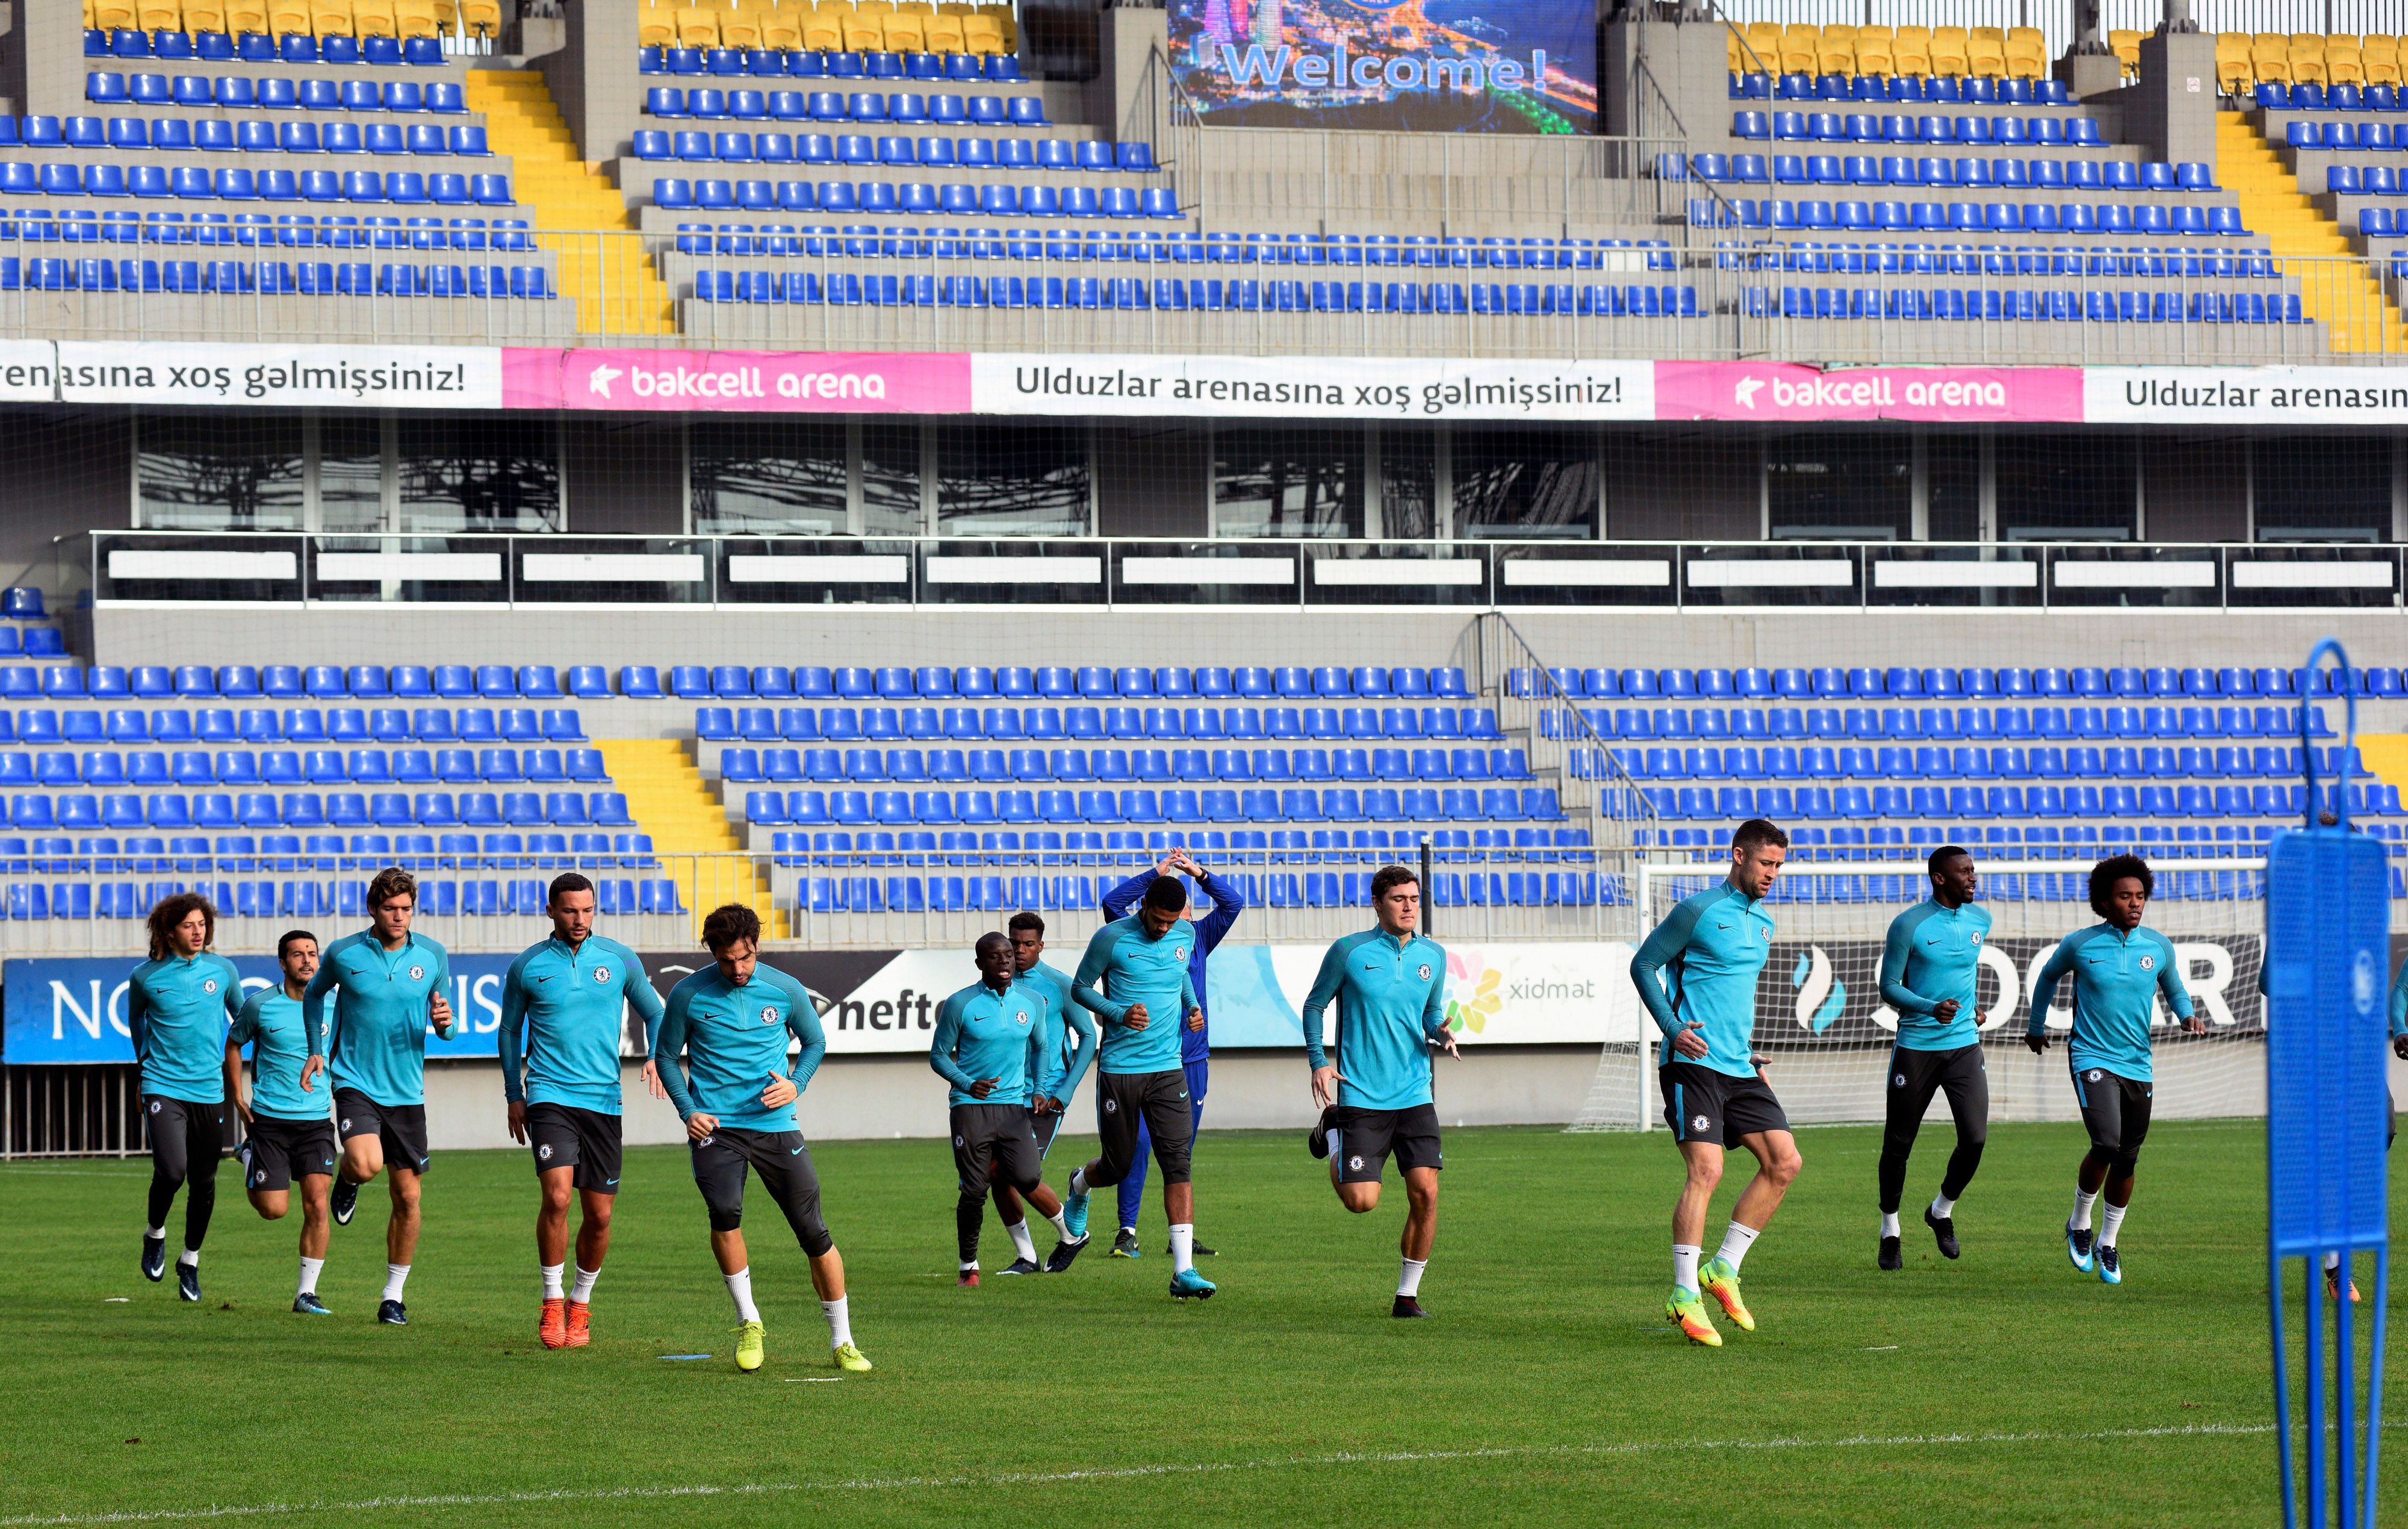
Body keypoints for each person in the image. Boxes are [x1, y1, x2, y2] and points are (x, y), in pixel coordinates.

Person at [653, 904, 870, 1375]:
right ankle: (749, 1321)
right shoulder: (688, 994)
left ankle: (843, 1341)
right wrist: (688, 1111)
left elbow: (815, 1043)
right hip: (717, 1130)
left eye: (746, 958)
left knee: (813, 1231)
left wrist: (797, 1084)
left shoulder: (786, 989)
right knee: (724, 1212)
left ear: (757, 947)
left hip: (776, 1127)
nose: (738, 969)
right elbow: (666, 1056)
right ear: (712, 953)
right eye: (727, 960)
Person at [1628, 819, 1804, 1348]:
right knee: (1707, 1170)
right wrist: (1672, 1027)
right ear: (1739, 855)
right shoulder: (1697, 911)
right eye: (1766, 863)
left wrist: (1747, 1051)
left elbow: (1731, 996)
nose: (1773, 874)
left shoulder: (1765, 923)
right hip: (1693, 1063)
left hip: (1739, 1066)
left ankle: (1724, 1267)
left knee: (1785, 1163)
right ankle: (1684, 1294)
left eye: (1779, 866)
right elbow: (1644, 965)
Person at [497, 872, 666, 1350]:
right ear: (550, 910)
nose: (580, 919)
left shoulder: (619, 959)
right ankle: (551, 1301)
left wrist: (656, 1054)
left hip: (604, 1101)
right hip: (549, 1095)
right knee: (557, 1198)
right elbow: (509, 1031)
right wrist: (514, 1094)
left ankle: (580, 1303)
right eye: (570, 910)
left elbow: (656, 1012)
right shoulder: (528, 966)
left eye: (588, 910)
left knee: (600, 1216)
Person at [2028, 854, 2203, 1288]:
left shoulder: (2158, 947)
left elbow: (2175, 989)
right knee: (2106, 1142)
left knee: (2127, 1158)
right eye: (2125, 896)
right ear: (2104, 902)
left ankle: (2108, 1241)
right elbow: (2047, 977)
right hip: (2091, 1056)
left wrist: (2186, 1015)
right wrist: (2036, 1026)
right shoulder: (2081, 944)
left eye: (2140, 895)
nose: (2135, 903)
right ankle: (2079, 1222)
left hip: (2137, 1062)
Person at [1301, 865, 1457, 1318]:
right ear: (1377, 902)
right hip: (1361, 1095)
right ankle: (1332, 1131)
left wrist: (1440, 1032)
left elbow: (1430, 1013)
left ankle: (1407, 1297)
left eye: (1414, 898)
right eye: (1398, 899)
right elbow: (1314, 1005)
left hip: (1415, 1093)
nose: (1409, 907)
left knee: (1426, 1193)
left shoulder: (1434, 955)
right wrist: (1319, 1062)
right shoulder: (1349, 952)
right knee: (1361, 1202)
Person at [303, 866, 455, 1326]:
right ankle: (349, 1179)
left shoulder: (432, 955)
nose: (399, 916)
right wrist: (315, 1049)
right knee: (366, 1163)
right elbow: (313, 996)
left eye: (406, 908)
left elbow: (446, 1026)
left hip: (407, 1091)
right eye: (390, 908)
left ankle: (393, 1296)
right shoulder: (344, 952)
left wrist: (445, 1023)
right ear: (373, 908)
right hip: (355, 1081)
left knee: (408, 1198)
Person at [1060, 875, 1214, 1300]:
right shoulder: (1111, 938)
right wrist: (1119, 1013)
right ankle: (1079, 1184)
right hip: (1121, 1069)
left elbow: (1180, 975)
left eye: (1171, 922)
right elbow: (1080, 989)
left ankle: (1183, 1271)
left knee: (1178, 1162)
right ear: (1144, 905)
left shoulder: (1185, 934)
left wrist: (1192, 1006)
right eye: (1158, 920)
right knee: (1118, 1167)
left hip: (1168, 1068)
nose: (1164, 928)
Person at [1098, 848, 1244, 1259]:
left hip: (1191, 1059)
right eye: (1163, 916)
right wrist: (1155, 874)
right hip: (1141, 1060)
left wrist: (1199, 874)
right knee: (1137, 1147)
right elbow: (1112, 903)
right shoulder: (1134, 935)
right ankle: (1127, 1230)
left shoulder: (1197, 937)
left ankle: (1179, 1235)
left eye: (1177, 915)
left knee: (1179, 1153)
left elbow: (1233, 903)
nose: (1169, 925)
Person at [931, 932, 1087, 1286]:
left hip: (1014, 1107)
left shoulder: (1031, 1002)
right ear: (979, 963)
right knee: (974, 1190)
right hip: (971, 1107)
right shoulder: (960, 1004)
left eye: (1008, 955)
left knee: (1028, 1177)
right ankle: (968, 1267)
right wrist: (967, 1083)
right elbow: (938, 1056)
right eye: (995, 956)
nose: (1005, 961)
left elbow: (1042, 1047)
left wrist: (1040, 1088)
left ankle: (1062, 1238)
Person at [1873, 845, 1994, 1270]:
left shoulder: (1981, 920)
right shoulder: (1909, 924)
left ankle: (1941, 1210)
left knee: (1975, 1139)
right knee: (1899, 1144)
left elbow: (1963, 975)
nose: (1973, 878)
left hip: (1964, 1046)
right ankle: (1890, 1229)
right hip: (1916, 1048)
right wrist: (1929, 1007)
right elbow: (1889, 986)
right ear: (1940, 878)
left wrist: (1974, 1007)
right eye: (1965, 872)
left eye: (1974, 870)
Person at [128, 892, 246, 1303]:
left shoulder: (223, 970)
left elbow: (243, 1020)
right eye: (188, 925)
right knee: (172, 1171)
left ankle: (190, 1261)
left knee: (204, 1181)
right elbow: (136, 1022)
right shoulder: (145, 977)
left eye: (202, 924)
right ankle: (155, 1233)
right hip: (163, 1085)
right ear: (168, 932)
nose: (198, 932)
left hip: (209, 1089)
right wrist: (144, 1066)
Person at [225, 929, 340, 1315]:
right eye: (297, 954)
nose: (307, 961)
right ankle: (248, 1155)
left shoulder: (335, 1005)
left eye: (312, 953)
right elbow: (233, 1044)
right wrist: (238, 1098)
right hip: (270, 1122)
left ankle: (306, 1294)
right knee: (273, 1210)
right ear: (282, 963)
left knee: (318, 1205)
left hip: (316, 1121)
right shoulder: (260, 1005)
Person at [990, 911, 1097, 1276]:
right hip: (1004, 1095)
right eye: (1014, 944)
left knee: (1022, 1174)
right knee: (996, 1174)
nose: (1019, 951)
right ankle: (1027, 1257)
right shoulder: (996, 985)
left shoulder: (1059, 985)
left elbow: (1088, 1036)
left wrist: (1065, 1091)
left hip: (1045, 1097)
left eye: (1028, 944)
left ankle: (1071, 1234)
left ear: (1041, 946)